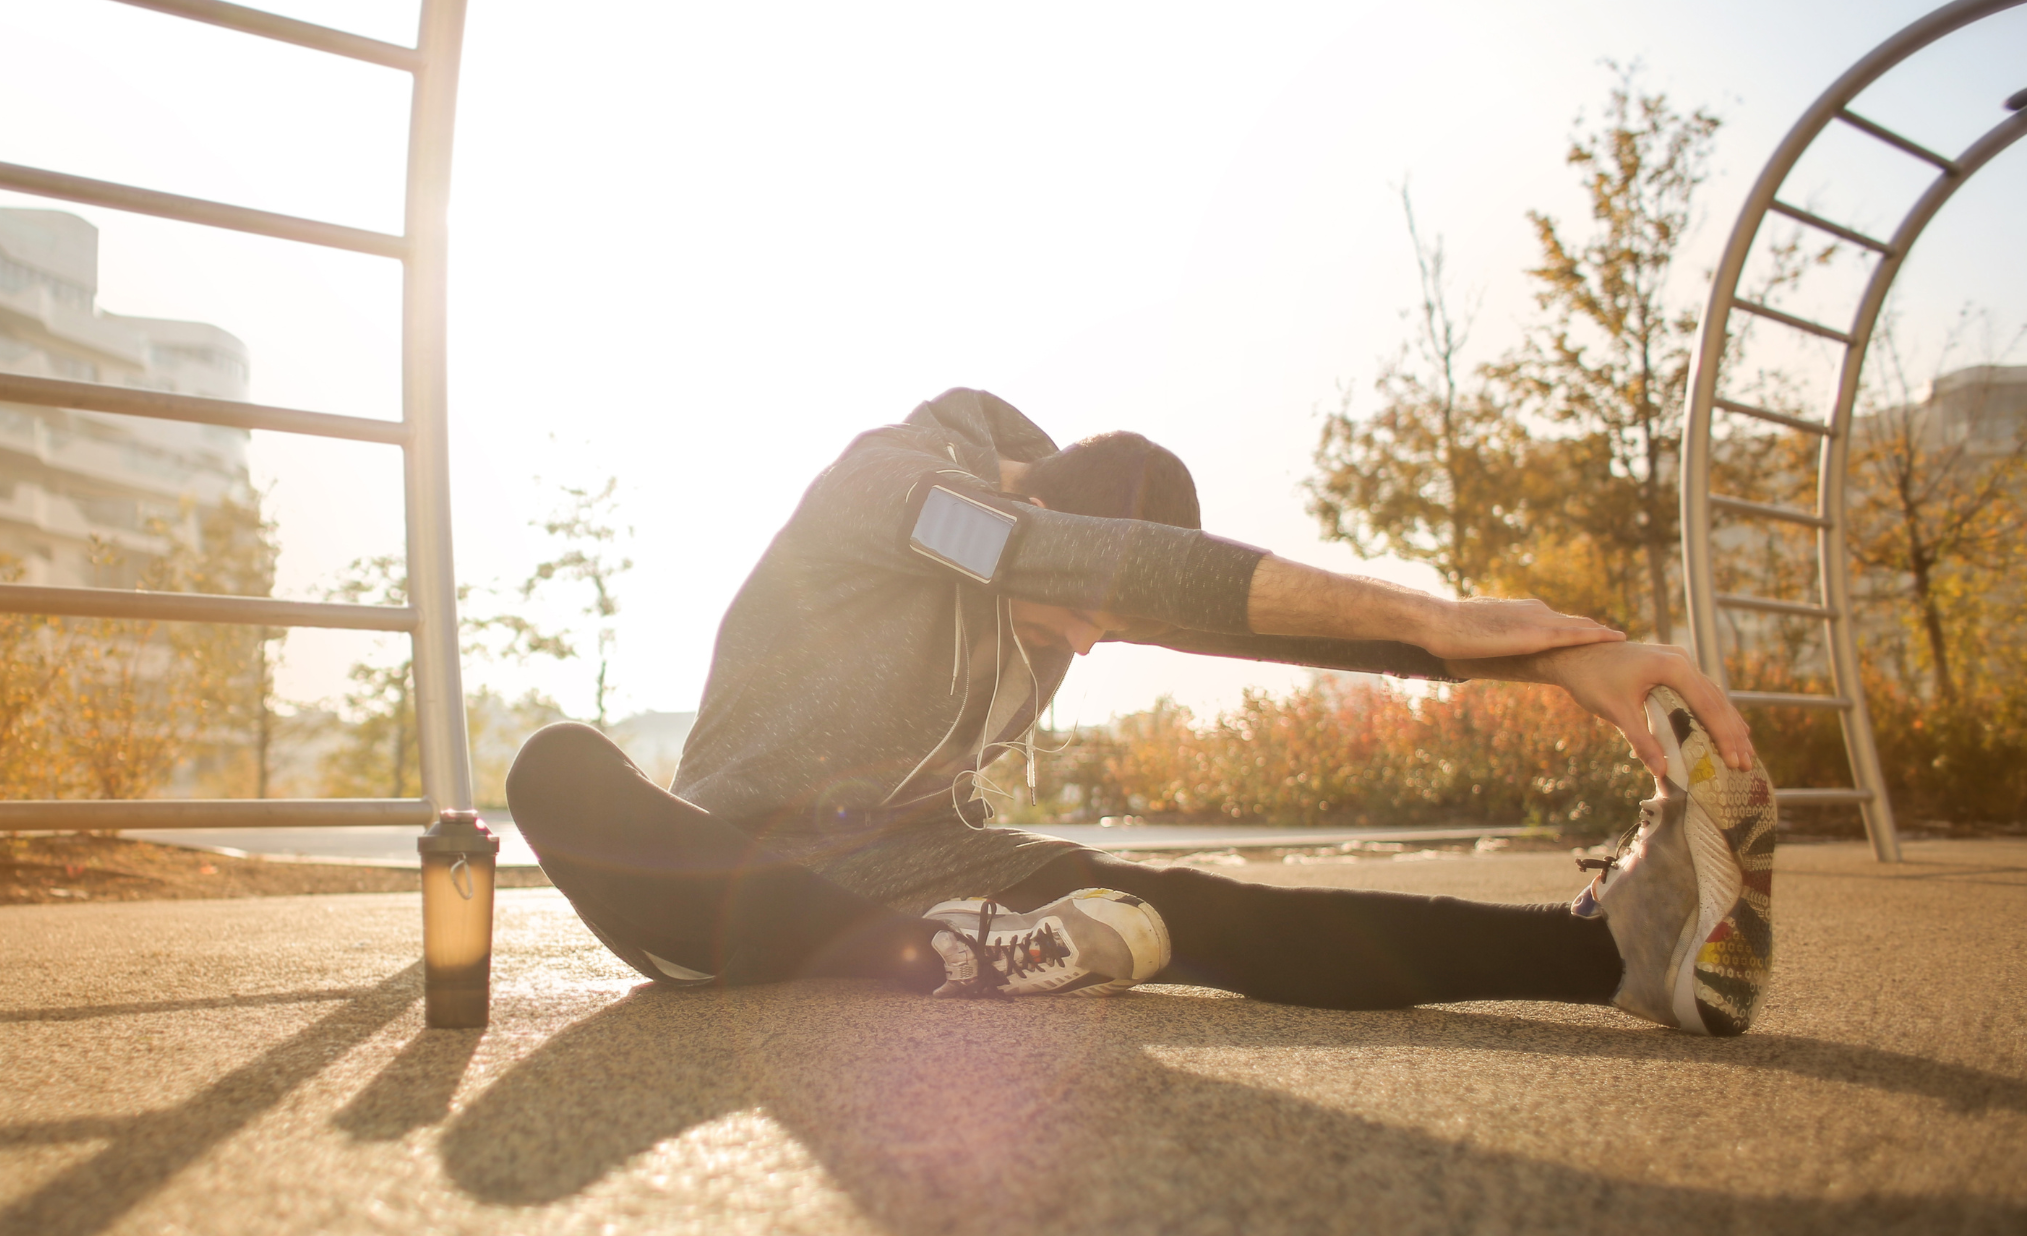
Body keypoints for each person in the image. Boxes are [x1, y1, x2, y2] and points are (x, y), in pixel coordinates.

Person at [507, 388, 1776, 1035]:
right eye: (1086, 610)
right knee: (557, 767)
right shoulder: (897, 489)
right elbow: (1082, 570)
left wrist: (1553, 662)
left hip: (929, 868)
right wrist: (1443, 621)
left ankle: (1609, 956)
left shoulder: (1068, 566)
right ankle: (938, 957)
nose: (1090, 641)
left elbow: (1222, 611)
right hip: (719, 883)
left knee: (1198, 907)